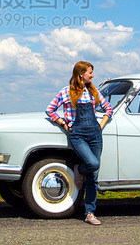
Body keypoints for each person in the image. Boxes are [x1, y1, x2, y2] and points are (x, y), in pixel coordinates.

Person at [45, 60, 113, 225]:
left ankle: (90, 212)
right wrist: (63, 123)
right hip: (78, 135)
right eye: (90, 72)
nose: (92, 75)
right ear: (81, 74)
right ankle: (79, 169)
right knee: (93, 163)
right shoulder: (66, 92)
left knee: (93, 177)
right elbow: (50, 109)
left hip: (95, 133)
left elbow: (109, 109)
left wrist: (101, 125)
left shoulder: (93, 91)